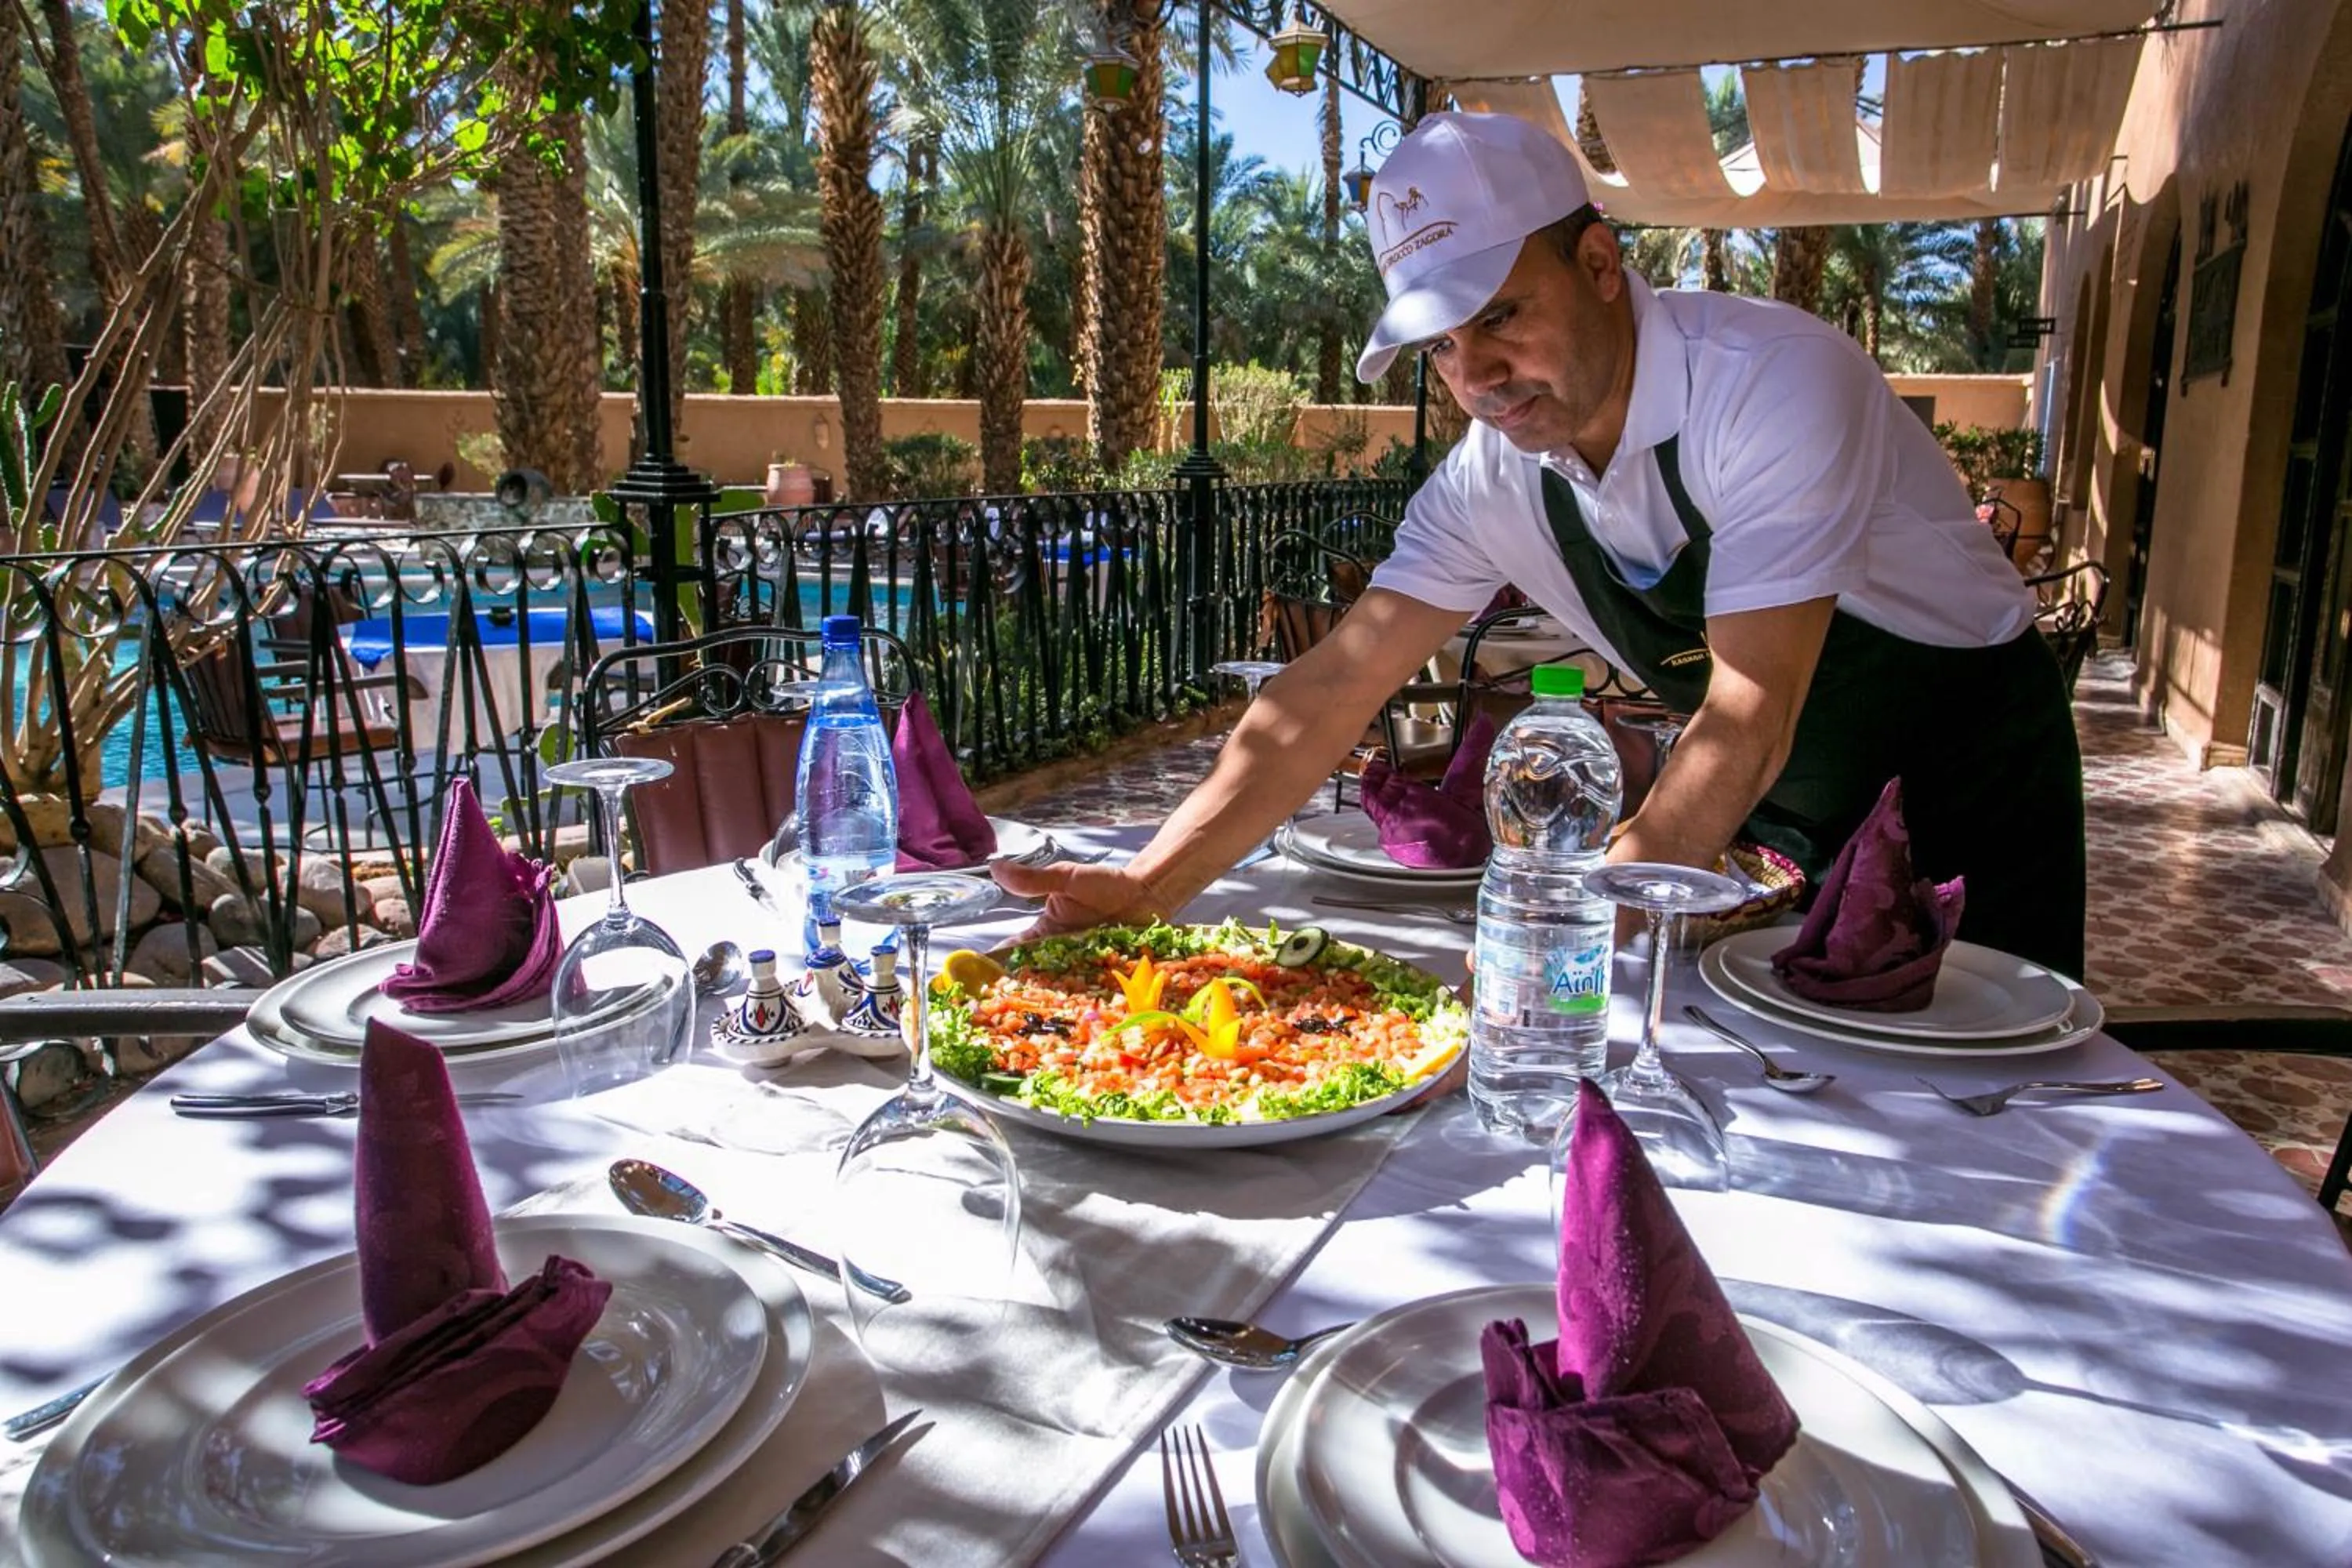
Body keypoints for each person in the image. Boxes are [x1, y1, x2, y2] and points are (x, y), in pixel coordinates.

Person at [999, 111, 2085, 979]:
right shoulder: (1492, 472)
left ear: (1602, 262)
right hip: (1774, 818)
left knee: (1989, 1105)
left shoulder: (1770, 385)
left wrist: (1539, 965)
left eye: (1504, 316)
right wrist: (1149, 887)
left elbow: (1749, 714)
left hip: (1964, 798)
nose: (1477, 376)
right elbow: (1332, 686)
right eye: (1443, 345)